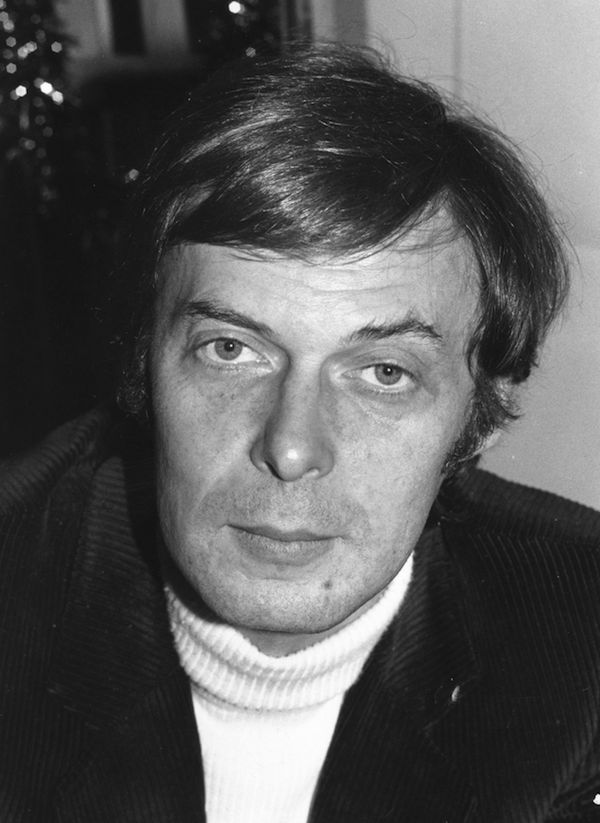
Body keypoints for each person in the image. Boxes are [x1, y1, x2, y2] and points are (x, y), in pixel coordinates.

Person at [1, 43, 600, 823]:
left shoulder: (581, 648)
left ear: (476, 415)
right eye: (230, 350)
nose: (290, 448)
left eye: (383, 372)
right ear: (142, 363)